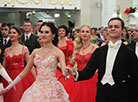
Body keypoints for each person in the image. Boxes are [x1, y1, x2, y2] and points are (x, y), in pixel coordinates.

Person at [66, 17, 138, 102]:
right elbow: (88, 71)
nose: (113, 28)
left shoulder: (129, 53)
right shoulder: (99, 51)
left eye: (116, 26)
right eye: (110, 27)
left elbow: (135, 77)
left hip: (121, 94)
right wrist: (75, 73)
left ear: (122, 30)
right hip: (102, 93)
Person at [0, 22, 70, 102]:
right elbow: (24, 72)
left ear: (53, 34)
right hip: (37, 88)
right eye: (42, 32)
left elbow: (64, 70)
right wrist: (8, 88)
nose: (43, 34)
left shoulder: (58, 52)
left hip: (52, 90)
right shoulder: (35, 52)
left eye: (46, 32)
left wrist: (68, 72)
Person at [1, 26, 36, 102]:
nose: (11, 34)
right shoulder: (6, 50)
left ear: (19, 35)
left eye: (14, 33)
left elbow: (30, 66)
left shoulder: (24, 48)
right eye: (10, 33)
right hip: (9, 77)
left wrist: (36, 79)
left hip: (22, 76)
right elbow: (3, 67)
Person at [65, 25, 98, 102]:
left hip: (91, 77)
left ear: (90, 34)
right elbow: (72, 63)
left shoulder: (95, 48)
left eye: (87, 32)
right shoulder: (77, 48)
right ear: (80, 34)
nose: (85, 33)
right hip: (78, 76)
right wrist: (67, 68)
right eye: (83, 31)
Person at [127, 25, 138, 102]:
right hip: (131, 87)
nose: (133, 33)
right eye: (133, 30)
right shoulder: (128, 48)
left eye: (136, 31)